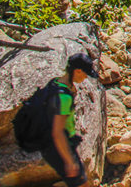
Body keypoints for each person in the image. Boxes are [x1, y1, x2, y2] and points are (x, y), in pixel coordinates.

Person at [42, 53, 97, 187]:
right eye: (85, 74)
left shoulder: (55, 82)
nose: (85, 78)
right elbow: (58, 132)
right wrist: (68, 161)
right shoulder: (64, 97)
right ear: (77, 71)